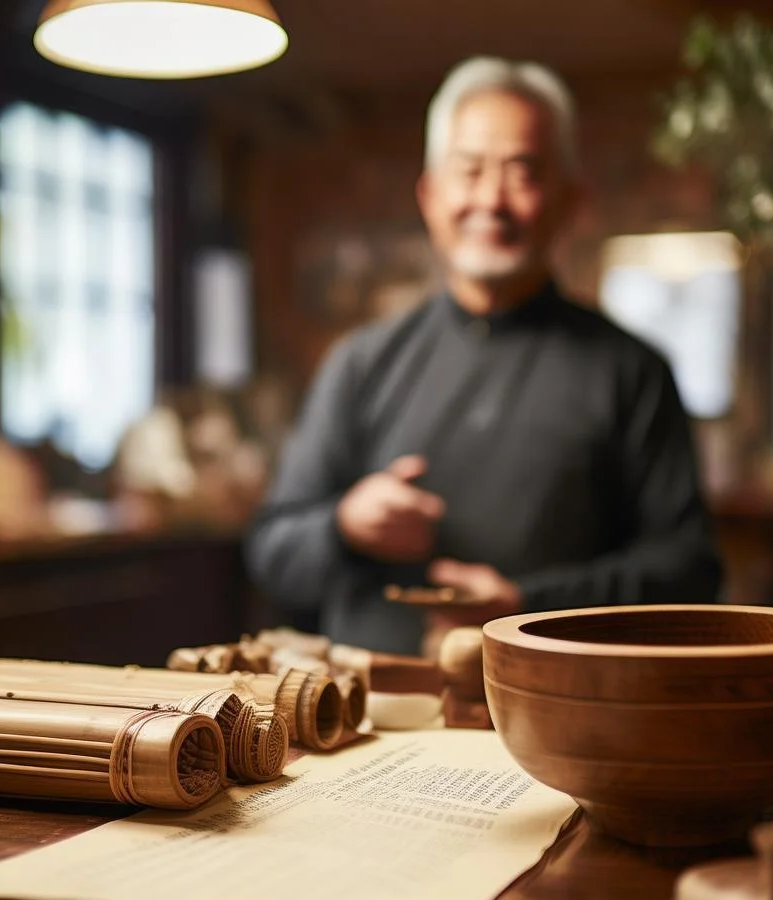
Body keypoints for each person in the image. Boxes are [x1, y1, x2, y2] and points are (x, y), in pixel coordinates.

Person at [245, 56, 724, 656]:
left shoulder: (633, 372)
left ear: (570, 199)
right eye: (469, 171)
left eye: (522, 172)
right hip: (370, 721)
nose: (491, 200)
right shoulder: (362, 362)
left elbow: (689, 571)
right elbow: (270, 556)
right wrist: (344, 526)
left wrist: (528, 606)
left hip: (563, 716)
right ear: (429, 194)